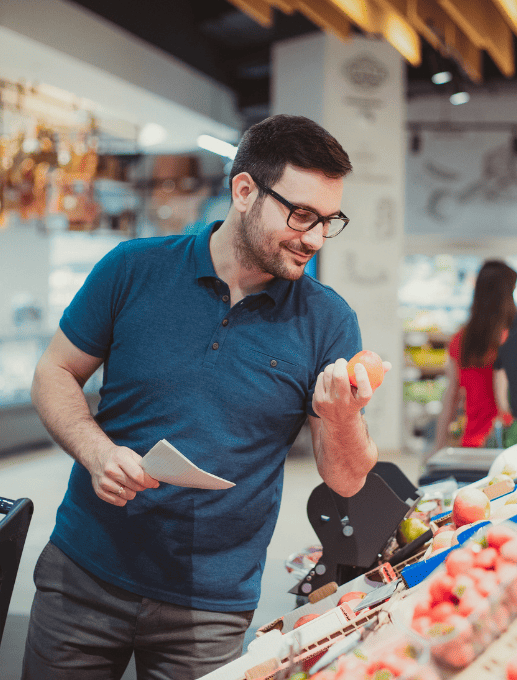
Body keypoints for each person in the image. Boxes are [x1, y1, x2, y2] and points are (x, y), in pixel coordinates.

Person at [22, 114, 390, 680]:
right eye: (301, 215)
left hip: (209, 608)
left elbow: (346, 480)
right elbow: (55, 371)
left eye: (329, 220)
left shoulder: (328, 321)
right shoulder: (132, 269)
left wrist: (342, 418)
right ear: (245, 191)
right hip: (85, 573)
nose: (315, 238)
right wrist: (96, 453)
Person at [431, 260, 517, 456]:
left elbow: (451, 396)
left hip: (473, 442)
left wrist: (439, 446)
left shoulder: (460, 339)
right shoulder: (511, 338)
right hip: (508, 440)